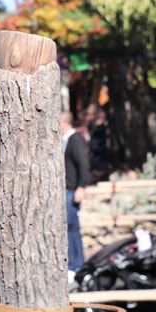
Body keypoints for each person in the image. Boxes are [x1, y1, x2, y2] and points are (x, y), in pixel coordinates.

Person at [62, 112, 91, 281]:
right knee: (70, 228)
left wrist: (82, 186)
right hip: (68, 189)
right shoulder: (67, 140)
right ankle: (75, 263)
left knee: (71, 228)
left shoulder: (75, 140)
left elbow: (83, 164)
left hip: (73, 189)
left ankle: (75, 264)